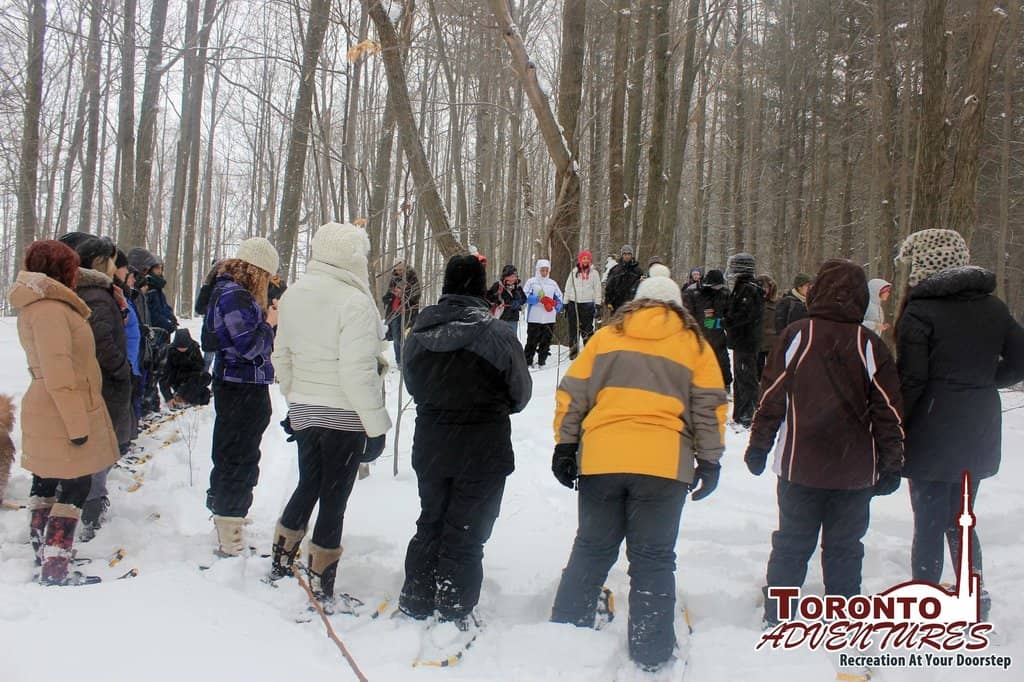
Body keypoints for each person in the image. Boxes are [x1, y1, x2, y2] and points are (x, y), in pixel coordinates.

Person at [550, 271, 728, 673]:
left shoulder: (606, 337)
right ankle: (651, 649)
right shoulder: (694, 345)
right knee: (653, 559)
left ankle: (565, 632)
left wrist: (565, 444)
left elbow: (572, 393)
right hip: (664, 465)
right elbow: (710, 407)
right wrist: (711, 459)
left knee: (591, 549)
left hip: (602, 459)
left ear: (638, 302)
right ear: (677, 306)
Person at [743, 259, 905, 630]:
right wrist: (892, 461)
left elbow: (770, 396)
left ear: (817, 291)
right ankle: (843, 613)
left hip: (801, 465)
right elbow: (889, 410)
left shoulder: (798, 334)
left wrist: (760, 443)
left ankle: (780, 611)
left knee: (792, 542)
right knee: (845, 547)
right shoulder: (869, 345)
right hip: (853, 472)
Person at [398, 255, 531, 651]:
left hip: (434, 443)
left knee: (432, 521)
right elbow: (520, 394)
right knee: (466, 531)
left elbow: (412, 384)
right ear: (479, 287)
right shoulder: (497, 334)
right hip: (482, 448)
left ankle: (417, 596)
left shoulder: (418, 333)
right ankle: (453, 606)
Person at [894, 229, 1024, 621]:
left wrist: (895, 420)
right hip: (978, 424)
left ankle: (926, 598)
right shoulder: (994, 307)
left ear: (922, 266)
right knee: (961, 517)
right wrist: (982, 383)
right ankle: (974, 593)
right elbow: (1019, 361)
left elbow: (912, 380)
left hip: (932, 425)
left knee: (930, 519)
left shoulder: (919, 311)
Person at [269, 222, 392, 611]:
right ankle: (321, 584)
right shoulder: (353, 301)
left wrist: (297, 398)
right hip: (344, 413)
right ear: (352, 256)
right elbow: (357, 372)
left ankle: (280, 561)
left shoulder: (293, 295)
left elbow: (281, 358)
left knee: (309, 483)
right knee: (334, 498)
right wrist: (376, 426)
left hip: (306, 409)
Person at [10, 240, 120, 585]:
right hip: (61, 407)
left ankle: (45, 551)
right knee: (75, 484)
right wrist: (77, 424)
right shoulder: (50, 310)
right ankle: (55, 565)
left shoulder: (45, 306)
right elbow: (60, 373)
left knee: (46, 479)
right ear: (60, 271)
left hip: (52, 404)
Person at [204, 237, 280, 556]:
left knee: (236, 454)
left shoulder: (231, 291)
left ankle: (229, 517)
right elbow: (248, 346)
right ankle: (229, 526)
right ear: (257, 271)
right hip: (240, 386)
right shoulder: (234, 295)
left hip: (240, 385)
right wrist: (269, 324)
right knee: (238, 457)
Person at [65, 235, 133, 540]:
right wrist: (121, 368)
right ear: (98, 263)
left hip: (101, 384)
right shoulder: (96, 294)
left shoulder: (94, 292)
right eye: (110, 260)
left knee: (100, 444)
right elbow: (101, 341)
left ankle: (89, 499)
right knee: (98, 446)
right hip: (104, 385)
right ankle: (91, 506)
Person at [724, 253, 765, 427]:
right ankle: (740, 415)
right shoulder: (742, 287)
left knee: (747, 378)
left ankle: (748, 415)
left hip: (746, 340)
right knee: (741, 378)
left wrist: (726, 321)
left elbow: (744, 314)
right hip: (740, 340)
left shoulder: (749, 289)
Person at [683, 269, 732, 390]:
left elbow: (730, 315)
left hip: (717, 333)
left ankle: (725, 383)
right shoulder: (692, 292)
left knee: (721, 359)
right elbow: (687, 314)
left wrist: (719, 324)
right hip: (698, 333)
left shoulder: (724, 292)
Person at [523, 259, 564, 367]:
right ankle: (527, 361)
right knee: (532, 341)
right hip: (534, 317)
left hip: (549, 318)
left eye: (546, 270)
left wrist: (557, 306)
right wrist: (536, 299)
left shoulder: (552, 283)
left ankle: (542, 361)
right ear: (538, 270)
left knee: (545, 341)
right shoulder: (531, 282)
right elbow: (524, 296)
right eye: (542, 270)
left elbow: (559, 297)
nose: (544, 273)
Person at [563, 250, 603, 359]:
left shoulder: (594, 273)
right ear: (580, 260)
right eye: (583, 258)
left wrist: (598, 304)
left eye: (587, 259)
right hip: (574, 303)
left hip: (588, 304)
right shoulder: (574, 272)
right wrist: (565, 303)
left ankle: (589, 352)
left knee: (587, 329)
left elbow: (597, 289)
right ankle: (573, 352)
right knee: (573, 329)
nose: (585, 261)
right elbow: (568, 288)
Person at [158, 329, 212, 409]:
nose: (182, 349)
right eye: (179, 347)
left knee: (206, 380)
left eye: (184, 347)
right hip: (176, 378)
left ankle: (184, 396)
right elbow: (163, 377)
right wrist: (168, 397)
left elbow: (200, 366)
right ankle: (181, 395)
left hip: (192, 378)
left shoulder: (194, 348)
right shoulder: (170, 352)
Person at [382, 261, 421, 367]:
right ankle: (400, 361)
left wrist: (404, 294)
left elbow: (416, 295)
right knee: (396, 338)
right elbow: (388, 295)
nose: (398, 272)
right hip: (395, 312)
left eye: (400, 269)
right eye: (396, 270)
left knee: (408, 337)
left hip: (408, 313)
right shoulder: (394, 278)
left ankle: (409, 359)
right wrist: (391, 295)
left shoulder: (412, 277)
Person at [485, 264, 528, 336]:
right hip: (501, 318)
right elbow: (488, 297)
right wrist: (497, 300)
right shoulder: (498, 286)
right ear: (504, 279)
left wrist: (518, 302)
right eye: (509, 280)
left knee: (511, 339)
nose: (511, 282)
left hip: (513, 319)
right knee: (500, 339)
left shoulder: (517, 288)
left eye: (513, 280)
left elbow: (524, 299)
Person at [604, 245, 643, 314]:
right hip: (617, 304)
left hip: (632, 304)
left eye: (629, 254)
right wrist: (608, 301)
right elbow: (609, 286)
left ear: (631, 255)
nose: (627, 256)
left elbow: (641, 287)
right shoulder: (615, 270)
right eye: (625, 254)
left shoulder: (638, 271)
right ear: (622, 255)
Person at [757, 274, 779, 382]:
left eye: (766, 288)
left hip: (772, 343)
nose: (764, 290)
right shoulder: (753, 302)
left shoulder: (777, 303)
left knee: (773, 374)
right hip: (756, 343)